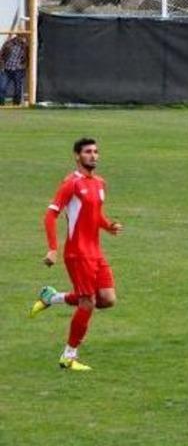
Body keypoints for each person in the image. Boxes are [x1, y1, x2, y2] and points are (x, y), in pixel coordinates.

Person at [29, 138, 123, 371]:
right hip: (77, 253)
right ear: (77, 156)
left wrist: (109, 225)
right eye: (88, 152)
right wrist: (53, 248)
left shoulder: (100, 183)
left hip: (95, 252)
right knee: (87, 302)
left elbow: (95, 214)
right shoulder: (70, 184)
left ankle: (52, 297)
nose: (94, 156)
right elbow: (50, 215)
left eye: (96, 152)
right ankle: (68, 356)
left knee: (107, 299)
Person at [0, 33, 27, 105]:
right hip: (6, 68)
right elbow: (1, 54)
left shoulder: (25, 45)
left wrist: (24, 66)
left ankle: (16, 104)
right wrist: (2, 66)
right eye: (22, 37)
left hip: (18, 69)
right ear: (18, 36)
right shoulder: (8, 43)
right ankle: (1, 104)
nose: (23, 39)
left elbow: (28, 56)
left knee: (18, 88)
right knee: (2, 87)